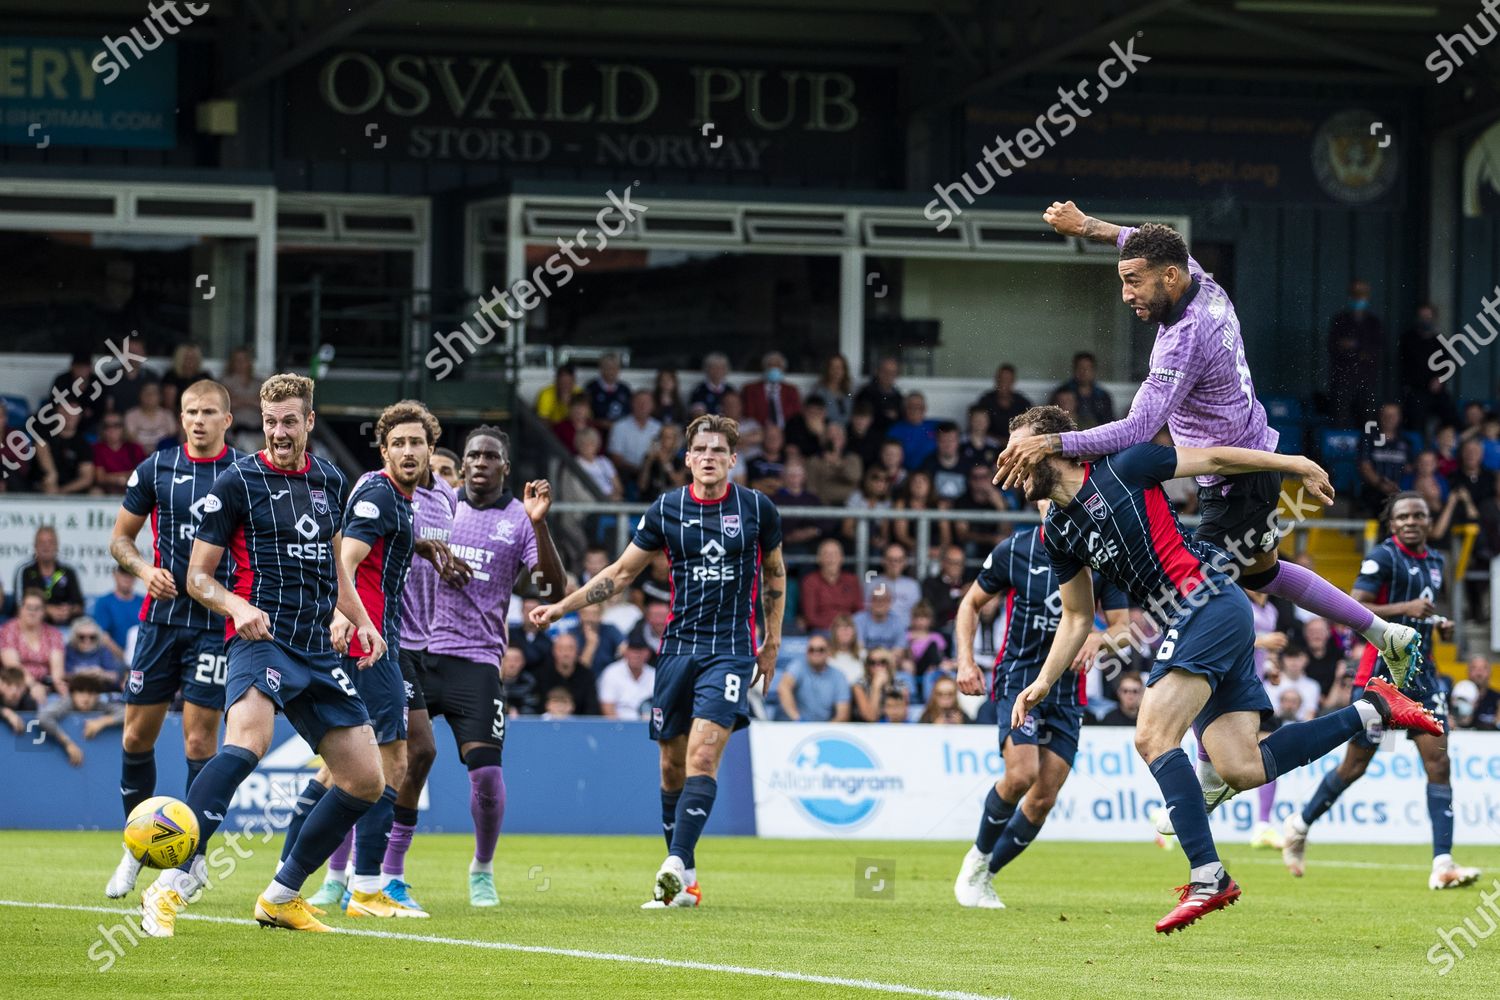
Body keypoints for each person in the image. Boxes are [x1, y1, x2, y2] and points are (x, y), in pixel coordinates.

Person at [1003, 405, 1440, 933]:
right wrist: (1043, 683)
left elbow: (1212, 457)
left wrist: (1295, 463)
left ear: (1054, 446)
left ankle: (1208, 875)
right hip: (1203, 617)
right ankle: (1375, 708)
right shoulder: (1058, 533)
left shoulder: (1127, 465)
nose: (1011, 464)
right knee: (1242, 768)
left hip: (1204, 601)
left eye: (1020, 450)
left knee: (1152, 737)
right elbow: (1076, 618)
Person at [1001, 203, 1422, 678]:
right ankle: (1385, 632)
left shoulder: (1182, 339)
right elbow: (1138, 240)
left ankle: (1213, 745)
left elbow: (1136, 431)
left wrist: (1053, 443)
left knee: (1193, 606)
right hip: (1250, 455)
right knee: (1264, 574)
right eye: (1124, 280)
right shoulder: (1199, 280)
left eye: (1134, 282)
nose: (1125, 294)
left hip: (1232, 479)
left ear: (1170, 278)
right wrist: (1087, 227)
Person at [138, 372, 386, 937]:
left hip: (318, 650)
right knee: (247, 741)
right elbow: (198, 578)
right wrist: (237, 608)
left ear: (309, 423)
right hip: (259, 640)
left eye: (289, 421)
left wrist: (361, 621)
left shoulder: (329, 480)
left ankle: (280, 895)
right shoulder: (237, 480)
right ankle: (170, 885)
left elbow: (335, 570)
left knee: (366, 780)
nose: (278, 431)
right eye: (270, 422)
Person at [530, 413, 785, 909]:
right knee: (671, 766)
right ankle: (684, 879)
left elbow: (774, 574)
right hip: (676, 650)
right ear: (687, 459)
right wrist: (563, 605)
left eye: (718, 452)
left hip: (730, 650)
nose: (709, 458)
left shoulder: (757, 508)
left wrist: (771, 640)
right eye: (701, 451)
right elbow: (622, 573)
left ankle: (673, 862)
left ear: (733, 460)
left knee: (703, 756)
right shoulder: (667, 509)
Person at [278, 401, 441, 920]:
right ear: (384, 449)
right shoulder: (378, 493)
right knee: (393, 759)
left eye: (417, 443)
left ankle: (288, 879)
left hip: (371, 639)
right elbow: (344, 557)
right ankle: (367, 889)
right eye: (399, 443)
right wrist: (352, 620)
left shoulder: (399, 498)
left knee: (339, 770)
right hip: (368, 645)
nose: (408, 451)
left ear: (431, 449)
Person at [1282, 493, 1482, 891]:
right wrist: (1406, 608)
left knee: (1439, 764)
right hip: (1382, 677)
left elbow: (1422, 612)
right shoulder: (1382, 558)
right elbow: (1356, 606)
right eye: (1403, 516)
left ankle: (1443, 863)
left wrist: (1438, 623)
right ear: (1392, 523)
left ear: (1428, 521)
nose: (1411, 521)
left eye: (1419, 515)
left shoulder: (1437, 562)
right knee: (1355, 766)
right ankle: (1299, 825)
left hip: (1424, 678)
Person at [412, 426, 564, 907]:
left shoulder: (520, 520)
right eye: (473, 454)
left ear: (504, 467)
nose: (479, 462)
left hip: (476, 659)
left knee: (487, 777)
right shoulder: (438, 505)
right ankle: (355, 872)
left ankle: (482, 867)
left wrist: (540, 525)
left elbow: (551, 590)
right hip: (415, 650)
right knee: (390, 765)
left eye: (489, 456)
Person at [102, 380, 242, 899]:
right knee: (136, 737)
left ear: (227, 419)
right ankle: (136, 849)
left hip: (214, 624)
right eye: (190, 412)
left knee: (200, 742)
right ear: (179, 418)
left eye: (208, 412)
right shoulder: (156, 468)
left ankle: (194, 857)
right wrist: (143, 568)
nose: (198, 420)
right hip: (161, 620)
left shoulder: (243, 473)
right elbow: (120, 538)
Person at [952, 501, 1129, 908]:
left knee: (1043, 798)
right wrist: (964, 659)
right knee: (1021, 774)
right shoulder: (1016, 549)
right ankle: (976, 858)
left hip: (1068, 692)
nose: (1055, 505)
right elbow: (970, 604)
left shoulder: (1100, 555)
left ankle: (985, 875)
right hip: (1019, 679)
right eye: (1048, 499)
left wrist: (1102, 637)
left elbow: (1123, 625)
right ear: (1039, 502)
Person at [1326, 279, 1384, 424]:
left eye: (1362, 294)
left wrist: (1353, 347)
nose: (1359, 298)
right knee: (1340, 419)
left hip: (1366, 379)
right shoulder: (1340, 320)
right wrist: (1358, 350)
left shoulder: (1374, 323)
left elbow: (1376, 351)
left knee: (1368, 422)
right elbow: (1333, 347)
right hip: (1343, 378)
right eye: (1355, 294)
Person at [0, 589, 66, 704]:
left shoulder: (53, 633)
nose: (32, 612)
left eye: (37, 608)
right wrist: (33, 685)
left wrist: (61, 690)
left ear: (44, 612)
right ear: (21, 609)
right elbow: (13, 666)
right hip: (16, 682)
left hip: (46, 683)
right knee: (30, 701)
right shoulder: (7, 631)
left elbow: (57, 670)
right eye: (29, 607)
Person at [14, 526, 85, 625]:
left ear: (57, 545)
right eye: (42, 542)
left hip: (65, 626)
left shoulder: (68, 571)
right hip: (33, 625)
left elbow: (79, 606)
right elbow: (19, 606)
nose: (46, 546)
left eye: (50, 542)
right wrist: (46, 610)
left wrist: (68, 610)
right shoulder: (24, 571)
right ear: (35, 546)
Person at [777, 638, 850, 722]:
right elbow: (783, 687)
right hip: (796, 726)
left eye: (821, 650)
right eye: (811, 650)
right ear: (806, 653)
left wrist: (825, 731)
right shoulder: (799, 666)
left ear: (829, 652)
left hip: (826, 727)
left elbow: (843, 714)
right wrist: (797, 718)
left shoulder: (838, 676)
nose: (816, 653)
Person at [1357, 402, 1411, 515]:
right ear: (1380, 417)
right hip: (1374, 489)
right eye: (1386, 415)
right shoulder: (1369, 438)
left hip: (1399, 489)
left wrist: (1399, 486)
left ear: (1399, 418)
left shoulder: (1405, 441)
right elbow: (1365, 466)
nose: (1389, 419)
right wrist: (1381, 484)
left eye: (1393, 415)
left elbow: (1409, 468)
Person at [533, 631, 602, 717]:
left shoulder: (586, 675)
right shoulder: (541, 674)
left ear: (577, 651)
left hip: (578, 727)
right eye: (561, 649)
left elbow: (592, 710)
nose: (566, 654)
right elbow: (535, 707)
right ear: (554, 651)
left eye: (570, 649)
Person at [608, 390, 663, 492]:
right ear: (632, 404)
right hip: (627, 473)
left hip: (652, 472)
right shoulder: (619, 426)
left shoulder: (658, 428)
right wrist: (638, 470)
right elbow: (616, 458)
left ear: (652, 406)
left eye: (646, 403)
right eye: (639, 402)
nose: (642, 406)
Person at [33, 405, 95, 495]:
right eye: (64, 412)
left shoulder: (83, 444)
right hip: (43, 485)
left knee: (96, 492)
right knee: (48, 481)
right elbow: (42, 450)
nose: (68, 416)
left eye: (73, 413)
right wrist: (51, 474)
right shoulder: (45, 435)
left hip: (69, 489)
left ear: (79, 416)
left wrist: (61, 491)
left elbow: (86, 478)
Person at [771, 461, 825, 558]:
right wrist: (788, 537)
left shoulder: (813, 499)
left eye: (798, 475)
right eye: (791, 475)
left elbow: (827, 522)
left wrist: (814, 531)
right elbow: (770, 526)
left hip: (812, 544)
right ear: (784, 477)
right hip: (784, 546)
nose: (794, 478)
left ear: (804, 477)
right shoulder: (774, 499)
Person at [863, 542, 921, 631]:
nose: (894, 564)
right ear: (883, 561)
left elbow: (917, 615)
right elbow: (866, 611)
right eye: (890, 560)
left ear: (905, 562)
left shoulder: (912, 586)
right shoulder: (872, 584)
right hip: (876, 632)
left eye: (899, 560)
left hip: (906, 632)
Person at [91, 566, 143, 662]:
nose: (127, 578)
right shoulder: (104, 602)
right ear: (115, 575)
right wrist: (125, 657)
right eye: (123, 574)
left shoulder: (143, 602)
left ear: (135, 578)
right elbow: (103, 636)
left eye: (130, 575)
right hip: (112, 658)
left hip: (140, 657)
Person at [598, 637, 656, 720]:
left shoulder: (654, 674)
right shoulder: (611, 672)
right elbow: (607, 707)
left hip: (648, 727)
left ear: (648, 653)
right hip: (619, 727)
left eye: (640, 651)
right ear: (625, 652)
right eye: (633, 650)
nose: (636, 655)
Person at [805, 421, 861, 506]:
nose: (834, 439)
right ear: (823, 439)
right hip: (824, 507)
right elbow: (811, 488)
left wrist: (837, 464)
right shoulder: (814, 461)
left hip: (850, 507)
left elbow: (854, 477)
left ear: (844, 439)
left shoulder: (853, 459)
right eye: (830, 436)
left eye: (837, 436)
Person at [742, 351, 801, 429]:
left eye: (778, 366)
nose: (774, 368)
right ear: (764, 368)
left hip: (786, 431)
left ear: (783, 369)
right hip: (760, 430)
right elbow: (748, 414)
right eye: (770, 365)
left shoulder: (791, 391)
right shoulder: (751, 390)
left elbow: (796, 414)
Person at [974, 363, 1032, 441]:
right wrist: (1001, 442)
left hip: (1016, 444)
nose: (1003, 383)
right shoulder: (986, 401)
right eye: (1001, 379)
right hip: (990, 446)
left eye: (1007, 380)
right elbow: (977, 428)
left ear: (1013, 381)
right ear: (996, 380)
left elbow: (1030, 428)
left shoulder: (1022, 402)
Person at [1056, 352, 1114, 429]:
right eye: (1080, 368)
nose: (1083, 371)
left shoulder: (1102, 396)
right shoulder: (1063, 392)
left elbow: (1109, 423)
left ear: (1093, 371)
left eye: (1087, 368)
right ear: (1074, 369)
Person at [92, 415, 146, 494]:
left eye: (116, 425)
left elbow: (142, 473)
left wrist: (113, 478)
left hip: (133, 488)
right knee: (95, 492)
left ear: (123, 428)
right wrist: (123, 478)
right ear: (102, 429)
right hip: (106, 489)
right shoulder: (97, 448)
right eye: (106, 426)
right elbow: (100, 478)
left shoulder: (134, 448)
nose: (111, 429)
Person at [921, 545, 969, 632]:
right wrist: (960, 594)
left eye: (959, 563)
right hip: (940, 631)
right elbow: (933, 609)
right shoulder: (931, 583)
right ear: (943, 563)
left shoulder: (968, 583)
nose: (956, 567)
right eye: (952, 562)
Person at [64, 617, 123, 683]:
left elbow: (115, 677)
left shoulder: (103, 650)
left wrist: (102, 673)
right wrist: (80, 674)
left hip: (101, 690)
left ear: (97, 637)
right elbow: (63, 676)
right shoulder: (68, 650)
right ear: (74, 637)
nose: (87, 641)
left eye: (92, 637)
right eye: (81, 637)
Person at [888, 393, 939, 470]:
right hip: (905, 474)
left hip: (932, 472)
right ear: (904, 409)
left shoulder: (936, 426)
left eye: (919, 406)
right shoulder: (895, 430)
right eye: (911, 406)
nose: (915, 410)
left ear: (925, 408)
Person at [637, 424, 687, 502]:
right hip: (649, 503)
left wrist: (666, 464)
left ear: (675, 441)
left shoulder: (679, 460)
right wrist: (649, 462)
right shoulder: (649, 458)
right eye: (662, 437)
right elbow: (642, 486)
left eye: (668, 438)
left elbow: (680, 485)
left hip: (670, 504)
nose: (664, 440)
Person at [854, 356, 903, 434]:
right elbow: (861, 419)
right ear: (878, 371)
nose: (889, 376)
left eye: (893, 373)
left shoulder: (898, 397)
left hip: (891, 439)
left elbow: (900, 419)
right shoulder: (866, 393)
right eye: (885, 372)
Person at [921, 422, 969, 501]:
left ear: (958, 442)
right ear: (936, 442)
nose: (948, 445)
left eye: (951, 440)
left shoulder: (967, 464)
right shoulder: (928, 464)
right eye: (943, 441)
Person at [125, 382, 178, 452]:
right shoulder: (131, 415)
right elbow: (131, 438)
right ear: (140, 395)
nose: (149, 396)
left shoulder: (167, 415)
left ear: (160, 397)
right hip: (139, 456)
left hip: (162, 455)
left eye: (154, 393)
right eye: (146, 392)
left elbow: (172, 436)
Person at [585, 353, 632, 426]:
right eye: (607, 367)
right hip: (597, 430)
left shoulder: (625, 389)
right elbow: (586, 413)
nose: (611, 371)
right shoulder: (592, 388)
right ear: (601, 369)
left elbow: (630, 413)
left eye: (614, 368)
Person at [813, 354, 854, 426]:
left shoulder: (849, 392)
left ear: (844, 371)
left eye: (839, 368)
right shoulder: (819, 392)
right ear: (827, 370)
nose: (836, 371)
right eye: (833, 367)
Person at [825, 614, 864, 685]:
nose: (845, 630)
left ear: (854, 632)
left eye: (848, 627)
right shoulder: (826, 657)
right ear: (834, 632)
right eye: (840, 627)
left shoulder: (863, 654)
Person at [1465, 655, 1499, 730]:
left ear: (1490, 672)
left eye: (1484, 668)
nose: (1479, 673)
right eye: (1474, 668)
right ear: (1468, 672)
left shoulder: (1497, 699)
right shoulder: (1456, 696)